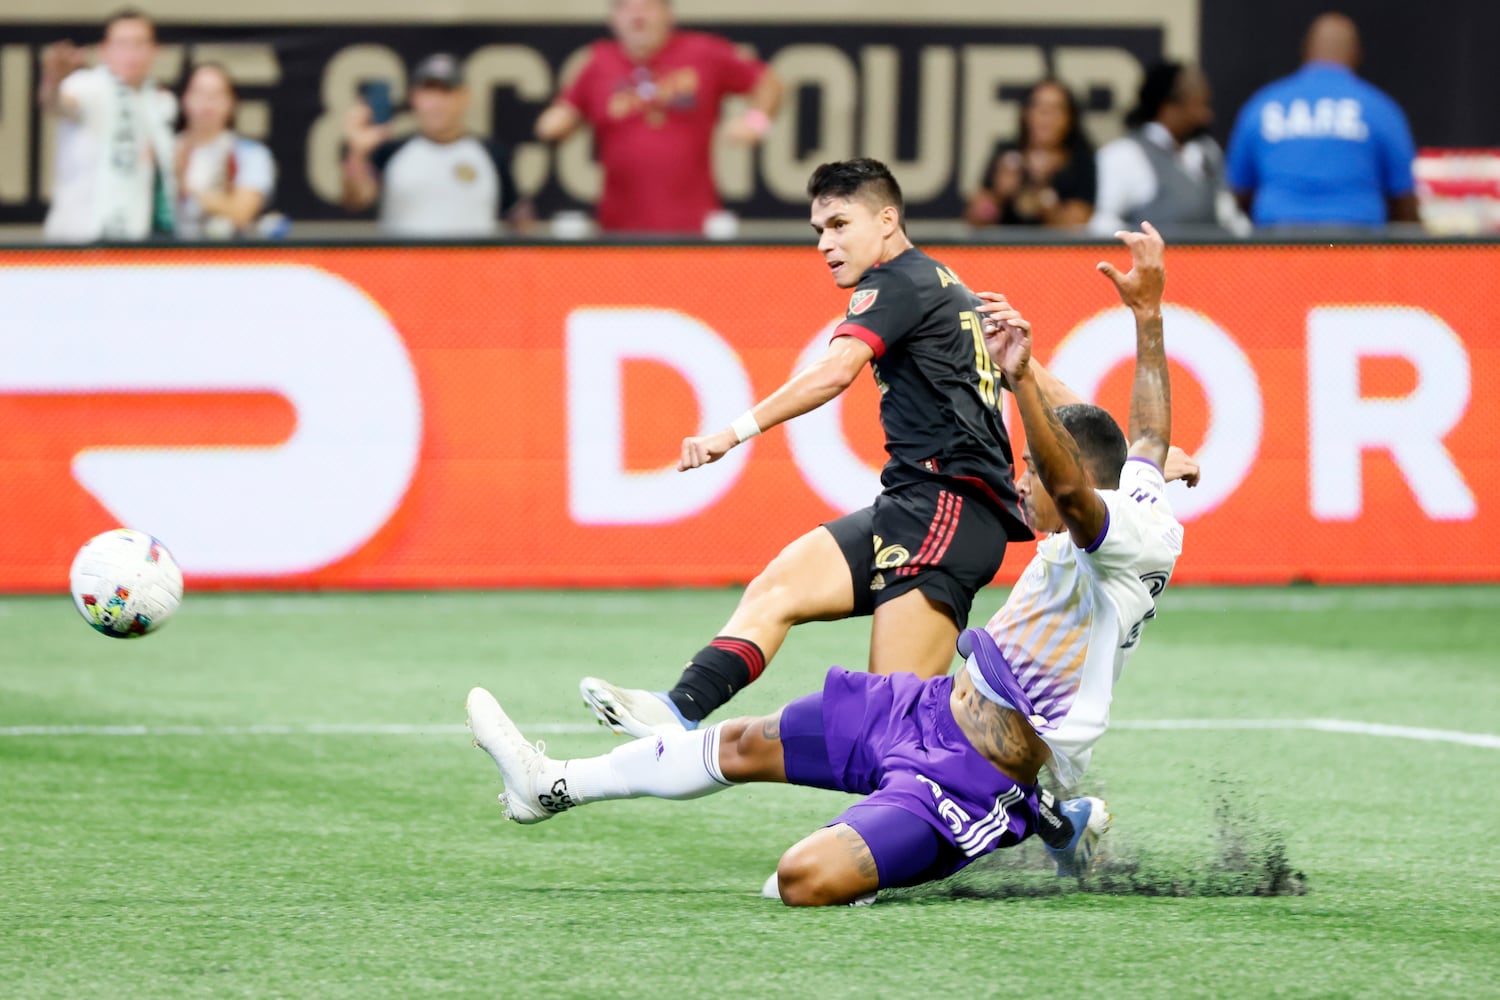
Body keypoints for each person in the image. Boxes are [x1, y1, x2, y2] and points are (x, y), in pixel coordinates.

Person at [466, 223, 1184, 906]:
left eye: (1029, 469)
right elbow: (1148, 430)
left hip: (973, 775)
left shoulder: (1110, 536)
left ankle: (1023, 818)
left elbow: (1064, 488)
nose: (1019, 482)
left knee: (799, 881)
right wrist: (1148, 313)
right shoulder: (1138, 497)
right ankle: (551, 783)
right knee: (744, 742)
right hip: (927, 710)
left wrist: (1022, 382)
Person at [578, 158, 1035, 742]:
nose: (826, 243)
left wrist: (731, 433)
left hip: (947, 511)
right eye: (819, 230)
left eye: (841, 224)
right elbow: (1034, 381)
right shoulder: (948, 286)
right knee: (779, 587)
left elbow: (835, 372)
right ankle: (679, 708)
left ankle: (1043, 809)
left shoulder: (896, 282)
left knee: (891, 730)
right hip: (915, 504)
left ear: (888, 220)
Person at [534, 0, 782, 234]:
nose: (637, 15)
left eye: (648, 6)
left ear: (667, 13)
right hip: (617, 229)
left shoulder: (702, 52)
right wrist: (556, 121)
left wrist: (756, 121)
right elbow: (565, 113)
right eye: (627, 7)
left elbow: (768, 82)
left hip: (693, 228)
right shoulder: (599, 62)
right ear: (613, 17)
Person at [1225, 13, 1418, 229]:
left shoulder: (1262, 105)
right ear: (1357, 55)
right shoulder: (1380, 109)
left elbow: (1239, 193)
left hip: (1278, 245)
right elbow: (1403, 204)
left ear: (1305, 50)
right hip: (1358, 248)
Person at [342, 53, 529, 238]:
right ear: (413, 97)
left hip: (471, 267)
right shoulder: (391, 151)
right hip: (404, 266)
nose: (436, 103)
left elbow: (518, 217)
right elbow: (357, 200)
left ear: (465, 97)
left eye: (446, 92)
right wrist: (358, 153)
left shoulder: (492, 154)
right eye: (428, 92)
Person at [38, 8, 177, 243]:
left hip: (134, 238)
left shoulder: (161, 103)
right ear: (104, 49)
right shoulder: (89, 86)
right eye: (122, 43)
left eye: (140, 43)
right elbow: (56, 104)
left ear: (156, 49)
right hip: (77, 239)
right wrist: (53, 79)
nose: (132, 53)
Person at [1091, 62, 1248, 237]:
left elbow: (1230, 218)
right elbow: (1103, 225)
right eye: (1199, 104)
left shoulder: (1208, 153)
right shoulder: (1123, 155)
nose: (1207, 116)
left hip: (1207, 263)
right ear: (1169, 108)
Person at [964, 79, 1096, 228]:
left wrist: (1043, 192)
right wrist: (998, 195)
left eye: (1056, 108)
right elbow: (975, 220)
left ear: (1069, 118)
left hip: (1056, 250)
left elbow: (1077, 227)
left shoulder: (1080, 160)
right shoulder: (1006, 155)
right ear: (1026, 114)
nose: (1046, 116)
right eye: (1038, 106)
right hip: (1006, 248)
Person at [173, 63, 277, 239]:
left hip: (227, 259)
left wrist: (189, 188)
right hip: (164, 257)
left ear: (231, 102)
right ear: (185, 99)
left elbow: (241, 213)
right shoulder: (165, 150)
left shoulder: (251, 154)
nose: (206, 103)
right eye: (199, 93)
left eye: (215, 95)